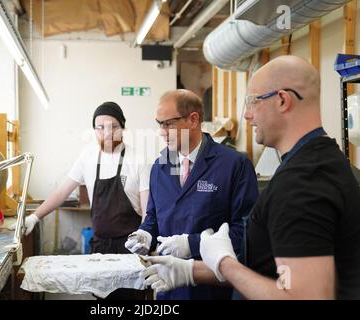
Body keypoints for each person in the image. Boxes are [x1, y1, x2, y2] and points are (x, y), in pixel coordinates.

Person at [141, 56, 360, 300]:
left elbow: (304, 296)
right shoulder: (319, 162)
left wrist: (223, 264)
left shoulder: (303, 182)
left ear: (282, 100)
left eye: (252, 101)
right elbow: (269, 270)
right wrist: (192, 270)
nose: (246, 114)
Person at [125, 89, 259, 299]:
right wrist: (145, 234)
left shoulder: (234, 165)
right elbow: (153, 217)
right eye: (159, 124)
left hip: (211, 288)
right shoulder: (160, 167)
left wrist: (192, 244)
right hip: (167, 287)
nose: (162, 131)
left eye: (168, 123)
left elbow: (245, 234)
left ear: (193, 120)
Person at [18, 101, 151, 299]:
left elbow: (148, 208)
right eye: (100, 127)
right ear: (94, 130)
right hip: (99, 247)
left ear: (123, 128)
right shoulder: (88, 156)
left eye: (113, 126)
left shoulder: (139, 158)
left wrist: (144, 238)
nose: (106, 133)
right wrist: (34, 218)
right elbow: (61, 192)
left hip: (131, 248)